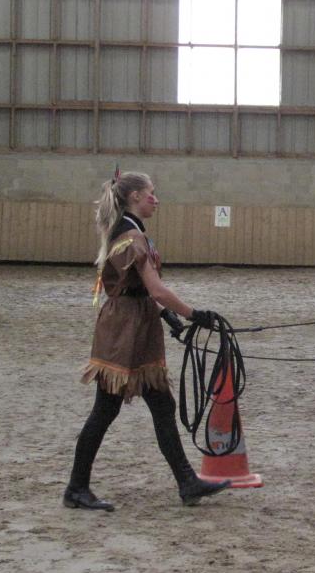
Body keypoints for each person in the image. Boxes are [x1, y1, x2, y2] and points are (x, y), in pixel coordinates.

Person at [65, 171, 232, 512]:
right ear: (135, 198)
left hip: (136, 325)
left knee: (161, 405)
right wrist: (192, 313)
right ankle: (76, 488)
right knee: (106, 410)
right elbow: (155, 288)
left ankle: (187, 482)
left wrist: (163, 315)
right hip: (125, 331)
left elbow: (139, 289)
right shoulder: (132, 236)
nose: (156, 199)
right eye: (151, 193)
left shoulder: (132, 232)